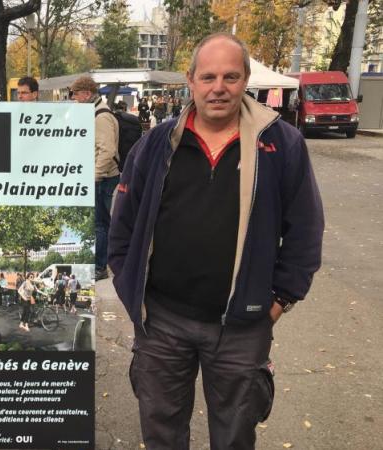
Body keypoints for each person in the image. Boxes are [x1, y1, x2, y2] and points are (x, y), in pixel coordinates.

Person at [108, 33, 324, 450]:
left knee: (234, 437)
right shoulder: (156, 144)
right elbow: (123, 225)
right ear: (190, 81)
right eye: (208, 77)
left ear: (245, 80)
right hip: (162, 322)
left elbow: (305, 231)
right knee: (161, 433)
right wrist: (128, 284)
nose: (218, 87)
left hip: (242, 327)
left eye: (230, 76)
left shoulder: (281, 145)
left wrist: (279, 301)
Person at [70, 76, 119, 280]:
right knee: (102, 223)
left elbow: (107, 150)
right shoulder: (96, 113)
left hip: (104, 178)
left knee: (100, 224)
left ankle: (100, 267)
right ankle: (101, 264)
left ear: (87, 94)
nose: (75, 99)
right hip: (103, 177)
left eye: (76, 95)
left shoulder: (101, 117)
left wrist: (95, 176)